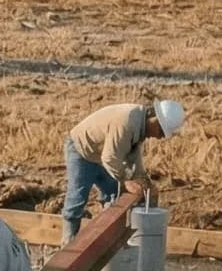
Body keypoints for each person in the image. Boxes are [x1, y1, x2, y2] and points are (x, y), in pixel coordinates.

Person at [63, 99, 185, 242]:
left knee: (114, 195)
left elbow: (133, 156)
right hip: (81, 149)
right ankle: (67, 243)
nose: (159, 137)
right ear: (154, 120)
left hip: (100, 153)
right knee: (77, 200)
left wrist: (143, 180)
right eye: (161, 131)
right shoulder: (127, 122)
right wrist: (127, 180)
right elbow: (109, 159)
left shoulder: (140, 124)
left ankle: (106, 239)